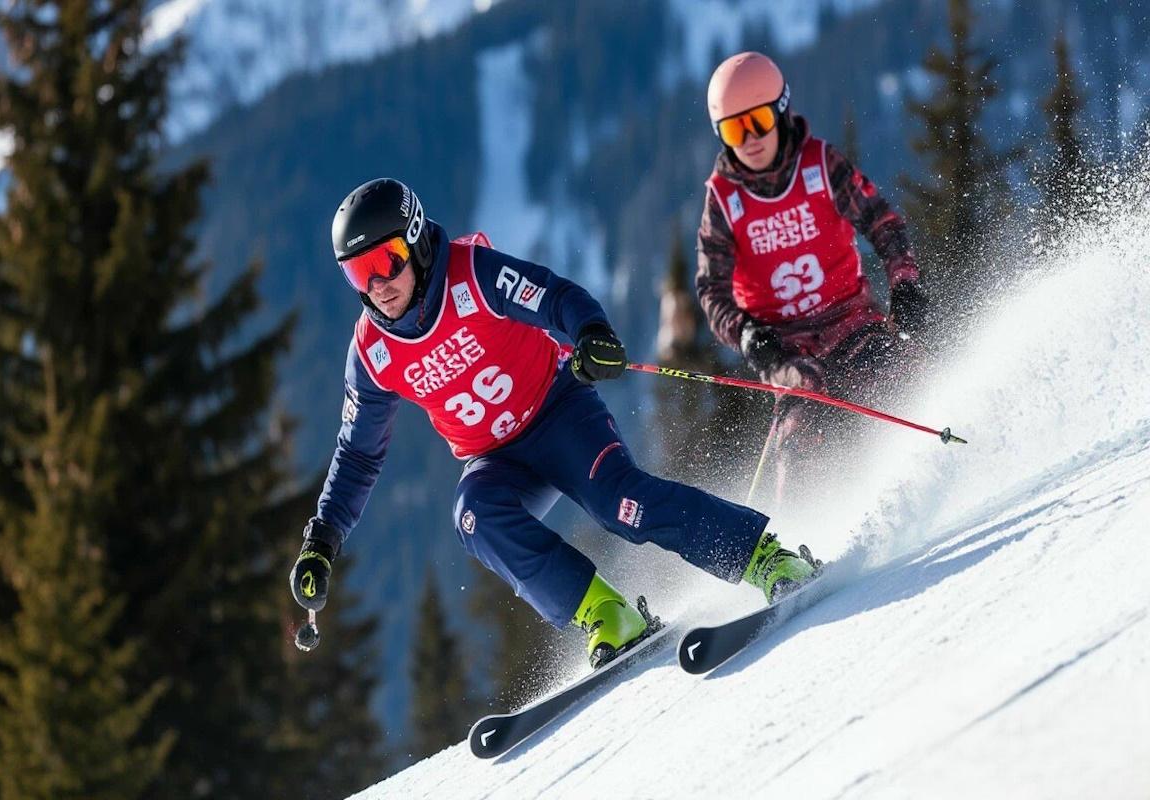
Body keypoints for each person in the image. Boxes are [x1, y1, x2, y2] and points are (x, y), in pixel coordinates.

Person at [289, 178, 821, 668]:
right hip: (496, 460)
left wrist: (590, 333)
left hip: (557, 411)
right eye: (359, 272)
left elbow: (555, 296)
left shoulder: (471, 273)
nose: (378, 284)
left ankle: (764, 558)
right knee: (473, 516)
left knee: (622, 506)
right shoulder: (373, 354)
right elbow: (359, 453)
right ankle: (606, 612)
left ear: (417, 243)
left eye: (386, 260)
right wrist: (322, 540)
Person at [698, 52, 930, 503]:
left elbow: (882, 222)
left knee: (906, 381)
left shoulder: (820, 166)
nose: (748, 139)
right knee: (799, 446)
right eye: (733, 129)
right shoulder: (724, 202)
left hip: (852, 323)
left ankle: (943, 475)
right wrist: (748, 337)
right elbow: (712, 290)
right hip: (789, 353)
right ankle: (807, 539)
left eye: (758, 121)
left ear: (781, 111)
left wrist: (904, 282)